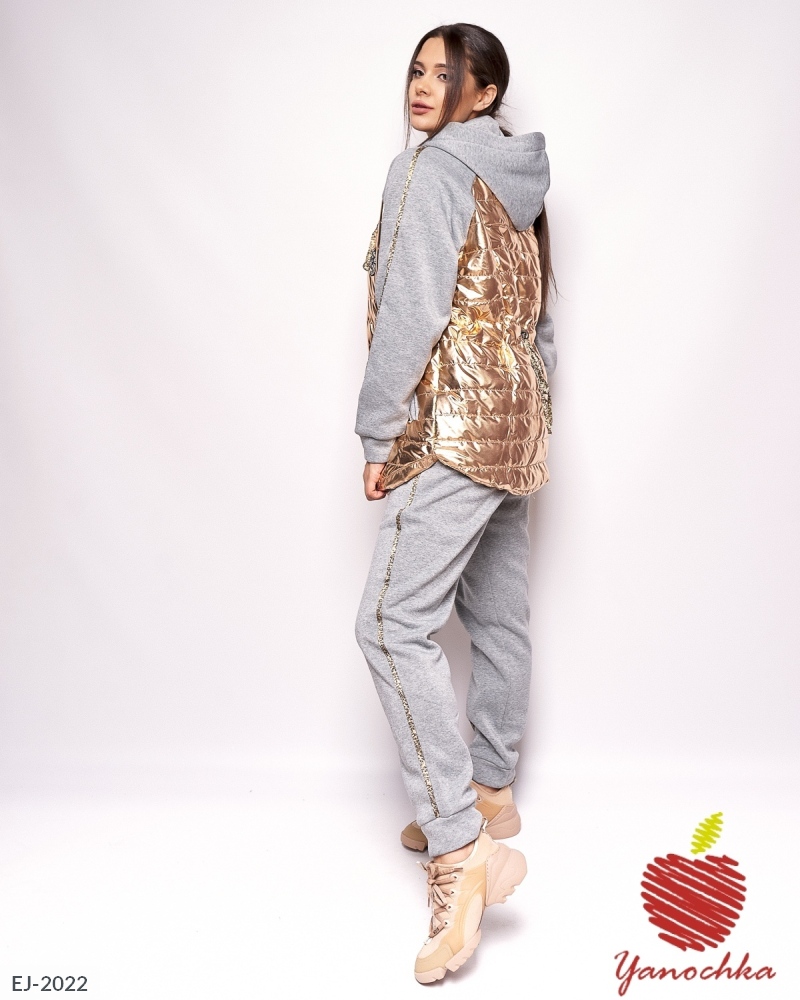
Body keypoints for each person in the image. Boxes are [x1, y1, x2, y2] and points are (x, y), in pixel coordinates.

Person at [354, 22, 557, 984]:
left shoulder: (429, 171)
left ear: (484, 93)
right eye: (417, 69)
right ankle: (488, 788)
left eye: (448, 73)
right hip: (517, 427)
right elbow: (538, 323)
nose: (424, 85)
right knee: (496, 614)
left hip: (454, 426)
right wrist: (536, 418)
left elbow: (413, 310)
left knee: (390, 624)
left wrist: (377, 432)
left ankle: (459, 847)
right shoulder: (518, 180)